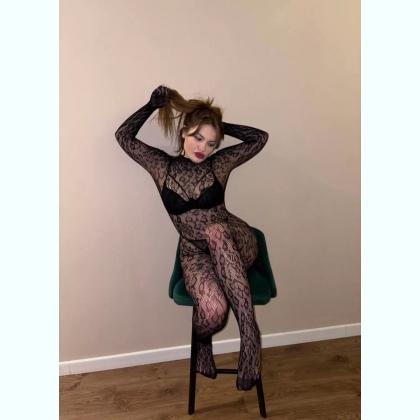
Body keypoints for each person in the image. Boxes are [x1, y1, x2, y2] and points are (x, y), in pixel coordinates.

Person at [115, 85, 269, 391]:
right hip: (196, 252)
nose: (203, 148)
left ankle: (250, 337)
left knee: (215, 230)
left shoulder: (219, 164)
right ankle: (202, 344)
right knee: (212, 314)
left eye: (211, 143)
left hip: (235, 240)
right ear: (184, 131)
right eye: (198, 137)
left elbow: (259, 138)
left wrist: (221, 126)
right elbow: (124, 137)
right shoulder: (161, 166)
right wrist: (151, 105)